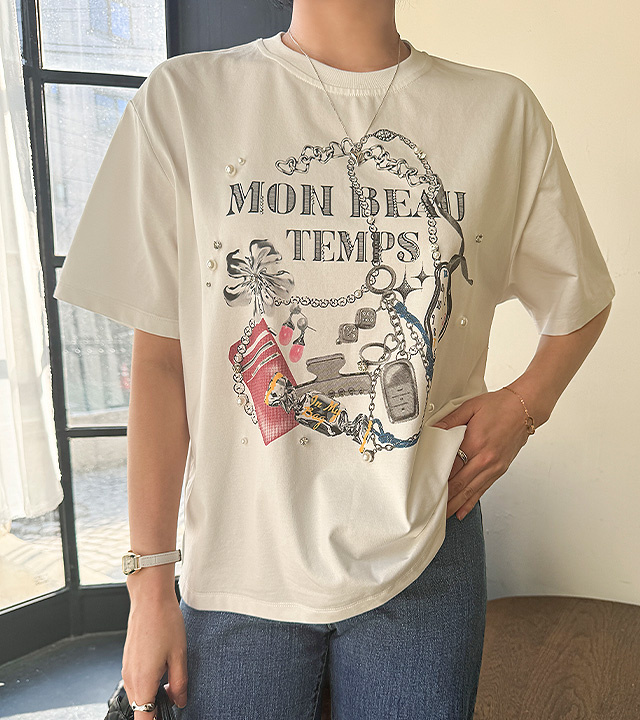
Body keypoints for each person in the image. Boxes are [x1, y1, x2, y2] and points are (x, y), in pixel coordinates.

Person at [52, 0, 615, 717]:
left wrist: (527, 404)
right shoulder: (186, 100)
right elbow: (163, 364)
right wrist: (148, 591)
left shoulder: (499, 113)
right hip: (239, 563)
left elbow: (581, 296)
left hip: (425, 545)